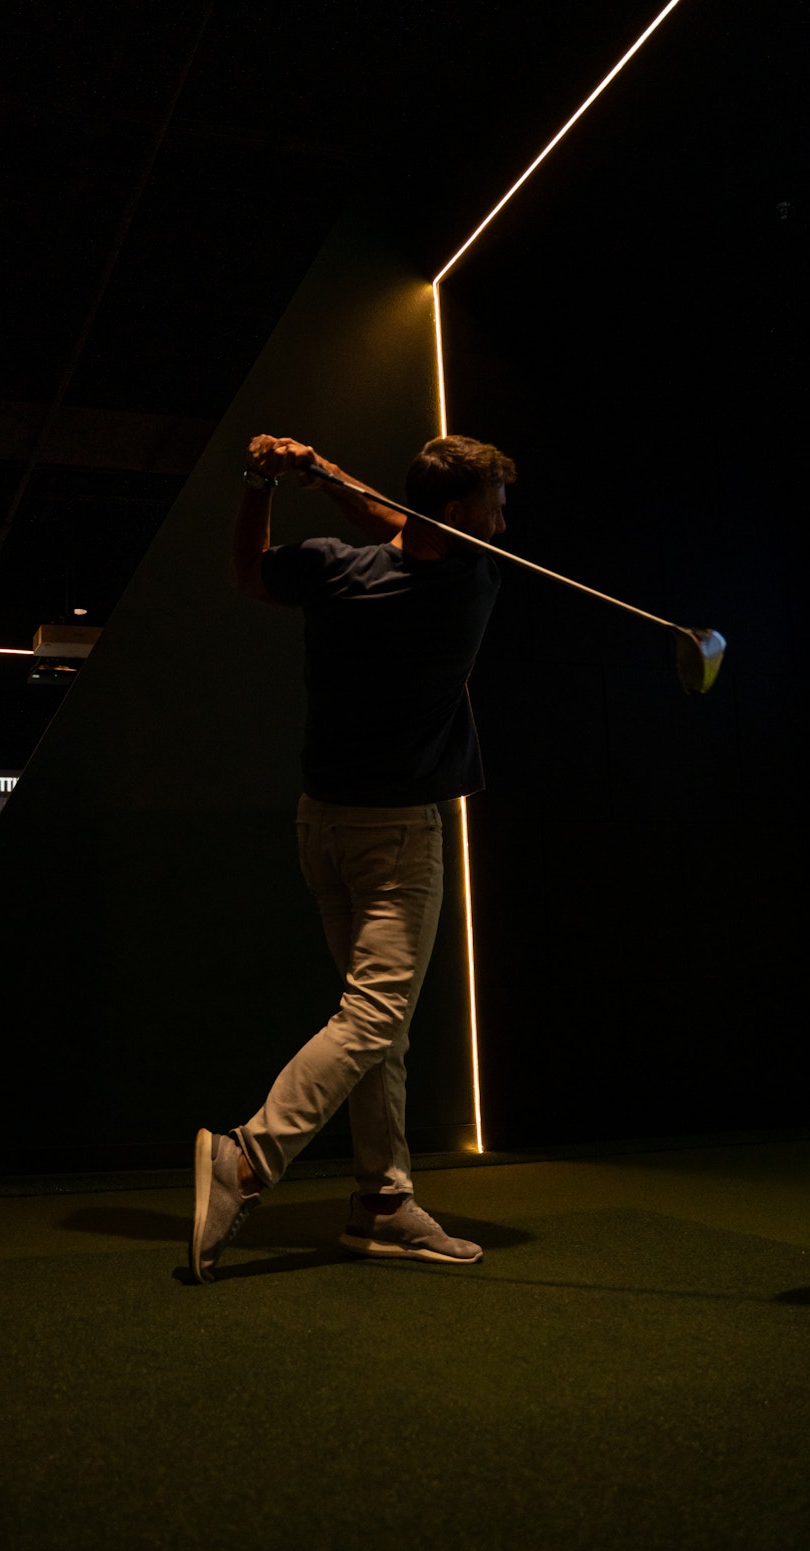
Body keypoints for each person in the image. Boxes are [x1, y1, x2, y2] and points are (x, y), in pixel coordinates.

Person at [190, 431, 516, 1282]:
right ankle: (248, 1159)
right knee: (374, 1018)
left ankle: (383, 1203)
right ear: (459, 515)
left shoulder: (338, 569)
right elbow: (407, 528)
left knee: (382, 1029)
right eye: (494, 507)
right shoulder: (470, 579)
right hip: (398, 836)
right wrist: (329, 478)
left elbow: (250, 570)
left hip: (321, 827)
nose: (503, 522)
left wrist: (264, 479)